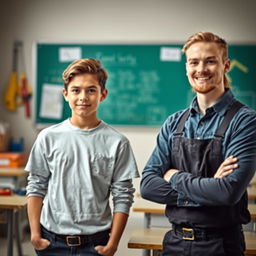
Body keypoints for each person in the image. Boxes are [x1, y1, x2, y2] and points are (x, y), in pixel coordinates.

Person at [140, 32, 256, 256]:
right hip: (174, 243)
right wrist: (209, 186)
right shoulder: (174, 122)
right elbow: (148, 186)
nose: (201, 69)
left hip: (221, 246)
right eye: (194, 62)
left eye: (210, 61)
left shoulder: (245, 120)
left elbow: (227, 192)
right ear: (186, 68)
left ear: (226, 65)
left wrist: (174, 176)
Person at [25, 58, 139, 256]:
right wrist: (35, 234)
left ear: (103, 94)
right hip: (51, 241)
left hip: (95, 243)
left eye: (91, 90)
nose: (83, 97)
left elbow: (123, 195)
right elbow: (36, 185)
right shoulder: (47, 137)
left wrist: (112, 244)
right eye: (76, 90)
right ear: (65, 94)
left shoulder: (117, 142)